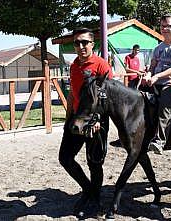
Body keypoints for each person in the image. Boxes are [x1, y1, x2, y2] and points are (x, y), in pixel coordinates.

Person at [58, 28, 113, 217]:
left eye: (84, 42)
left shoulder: (101, 66)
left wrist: (98, 119)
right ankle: (88, 190)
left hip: (96, 121)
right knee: (65, 158)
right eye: (77, 43)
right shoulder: (73, 65)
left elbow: (108, 99)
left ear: (92, 44)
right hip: (75, 119)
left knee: (94, 163)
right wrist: (67, 117)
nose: (80, 46)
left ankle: (95, 201)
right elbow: (73, 93)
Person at [142, 14, 171, 155]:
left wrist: (156, 76)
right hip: (156, 81)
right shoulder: (158, 48)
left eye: (168, 25)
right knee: (134, 95)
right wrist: (148, 75)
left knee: (165, 105)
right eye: (162, 26)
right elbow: (152, 66)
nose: (164, 29)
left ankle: (159, 141)